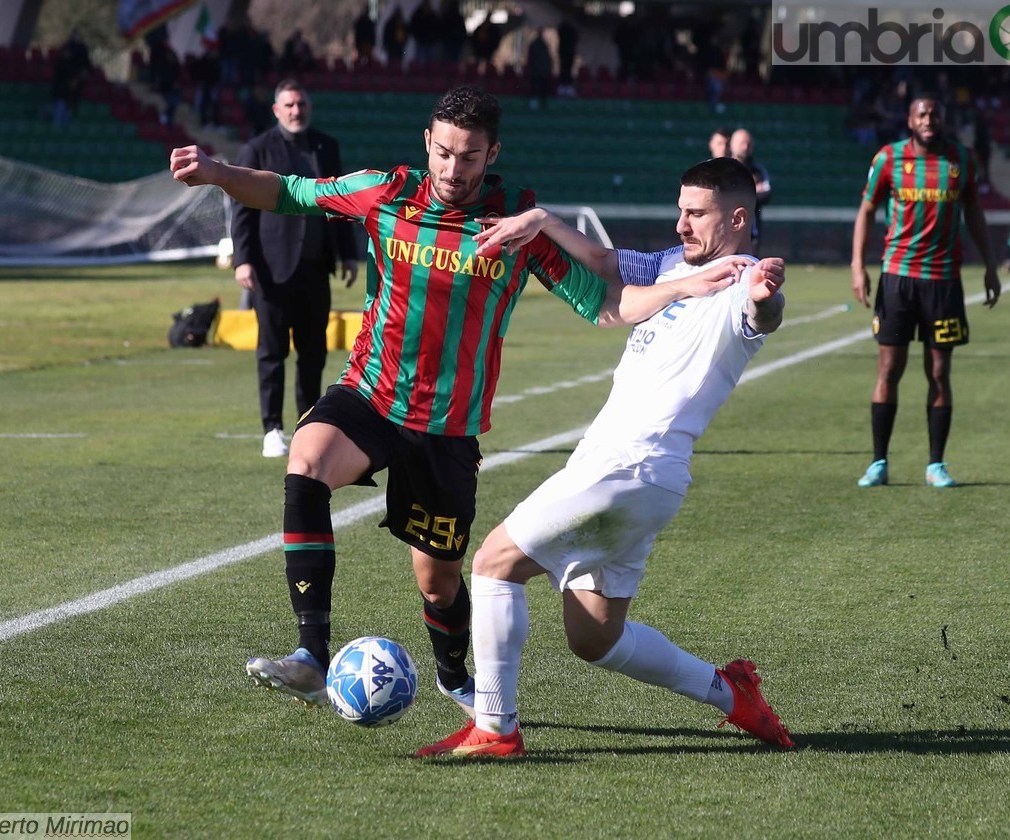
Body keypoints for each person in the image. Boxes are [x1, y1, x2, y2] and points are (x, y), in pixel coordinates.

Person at [169, 85, 721, 714]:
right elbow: (289, 193)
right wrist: (216, 173)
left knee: (439, 583)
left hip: (447, 428)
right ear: (427, 143)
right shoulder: (389, 191)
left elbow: (607, 306)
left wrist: (684, 288)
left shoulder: (515, 223)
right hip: (371, 393)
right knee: (307, 460)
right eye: (445, 152)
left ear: (492, 154)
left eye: (470, 156)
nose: (454, 169)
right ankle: (311, 655)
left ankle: (454, 675)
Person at [416, 157, 793, 758]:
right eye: (679, 209)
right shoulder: (676, 266)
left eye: (695, 213)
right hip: (643, 479)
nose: (680, 224)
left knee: (492, 564)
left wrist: (764, 299)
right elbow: (603, 262)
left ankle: (494, 728)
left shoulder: (745, 281)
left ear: (739, 218)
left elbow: (761, 317)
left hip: (630, 465)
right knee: (595, 638)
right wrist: (539, 220)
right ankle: (733, 694)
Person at [851, 94, 1001, 489]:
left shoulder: (961, 161)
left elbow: (974, 213)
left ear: (943, 119)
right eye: (922, 114)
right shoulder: (888, 159)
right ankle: (878, 462)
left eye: (935, 113)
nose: (929, 119)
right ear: (910, 120)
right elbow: (867, 210)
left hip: (944, 281)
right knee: (888, 369)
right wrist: (857, 265)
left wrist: (989, 265)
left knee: (939, 372)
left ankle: (936, 464)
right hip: (898, 279)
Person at [230, 80, 359, 459]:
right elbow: (242, 209)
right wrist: (243, 259)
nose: (296, 111)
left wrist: (347, 254)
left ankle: (308, 425)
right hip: (271, 268)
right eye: (288, 105)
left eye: (301, 104)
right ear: (276, 109)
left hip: (316, 268)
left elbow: (341, 203)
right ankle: (272, 428)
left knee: (313, 352)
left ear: (309, 106)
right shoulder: (256, 149)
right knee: (271, 351)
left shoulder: (326, 146)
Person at [729, 128, 770, 250]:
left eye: (748, 143)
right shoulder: (724, 168)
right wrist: (752, 190)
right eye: (742, 143)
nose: (745, 146)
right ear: (732, 144)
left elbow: (766, 194)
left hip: (751, 230)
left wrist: (738, 192)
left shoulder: (758, 170)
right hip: (727, 229)